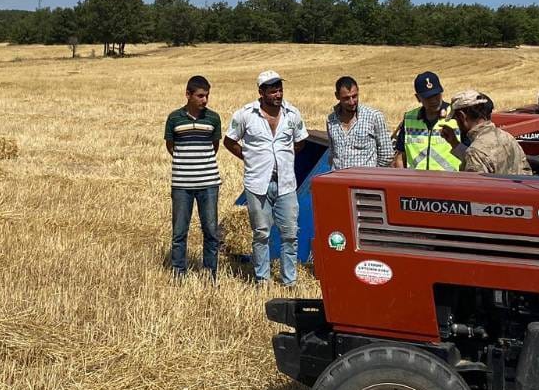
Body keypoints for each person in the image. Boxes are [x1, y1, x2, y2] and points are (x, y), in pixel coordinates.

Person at [224, 70, 308, 287]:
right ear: (261, 92)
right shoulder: (245, 115)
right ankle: (263, 279)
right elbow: (229, 141)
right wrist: (249, 157)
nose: (278, 95)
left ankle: (289, 281)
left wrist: (282, 159)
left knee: (290, 233)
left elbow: (300, 142)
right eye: (272, 91)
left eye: (279, 90)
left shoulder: (292, 114)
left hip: (286, 184)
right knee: (261, 233)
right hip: (257, 183)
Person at [165, 75, 224, 278]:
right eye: (200, 96)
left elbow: (214, 147)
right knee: (179, 232)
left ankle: (210, 273)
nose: (205, 100)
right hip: (181, 184)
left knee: (211, 232)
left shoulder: (213, 118)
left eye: (207, 96)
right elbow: (171, 146)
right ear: (188, 95)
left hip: (209, 183)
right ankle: (178, 273)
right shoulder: (174, 118)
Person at [448, 89, 531, 175]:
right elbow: (526, 171)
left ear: (462, 116)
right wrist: (454, 143)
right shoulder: (507, 137)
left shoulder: (476, 151)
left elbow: (475, 186)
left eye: (455, 118)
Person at [395, 71, 462, 170]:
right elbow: (400, 156)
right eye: (428, 97)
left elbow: (469, 153)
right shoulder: (409, 118)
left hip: (450, 182)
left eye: (436, 95)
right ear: (418, 98)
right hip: (417, 183)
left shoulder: (456, 115)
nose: (433, 100)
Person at [325, 75, 393, 170]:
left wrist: (373, 175)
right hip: (339, 181)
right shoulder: (331, 120)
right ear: (337, 96)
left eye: (354, 96)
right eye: (346, 98)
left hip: (366, 182)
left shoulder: (374, 116)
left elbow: (387, 154)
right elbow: (332, 153)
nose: (352, 102)